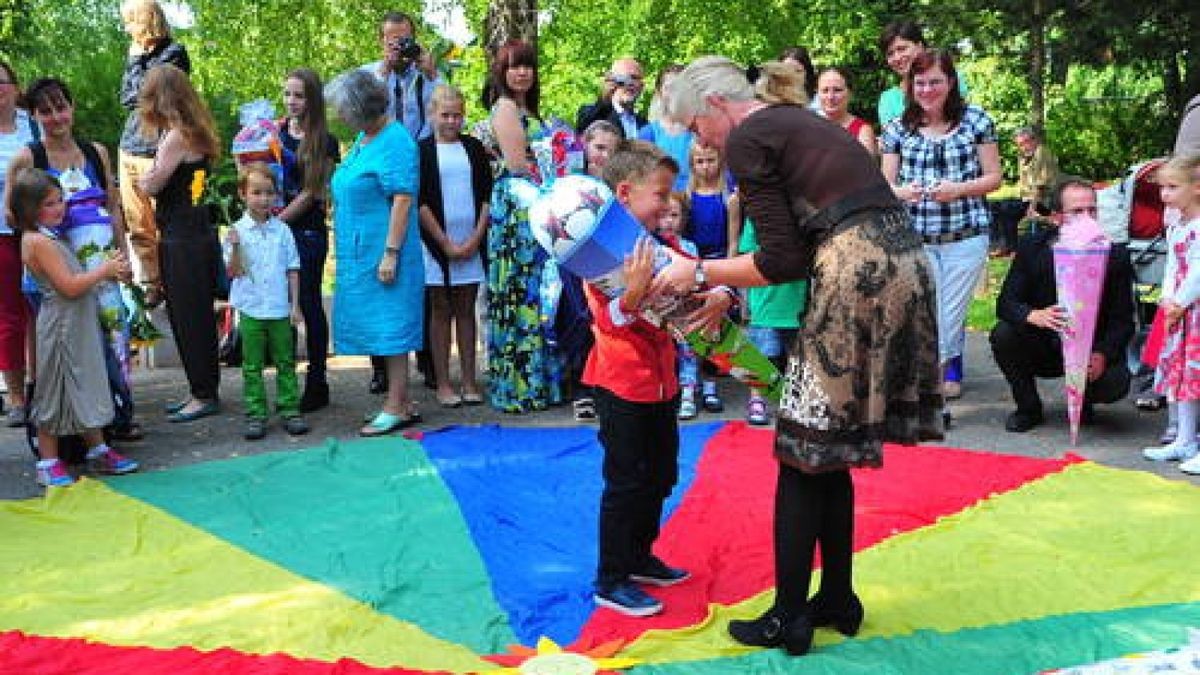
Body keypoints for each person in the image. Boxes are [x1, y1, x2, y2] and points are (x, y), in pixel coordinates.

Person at [659, 57, 942, 656]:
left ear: (714, 107)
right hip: (904, 264)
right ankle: (837, 596)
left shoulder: (748, 138)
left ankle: (789, 616)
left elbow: (782, 258)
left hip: (854, 274)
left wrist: (698, 270)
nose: (696, 140)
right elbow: (794, 244)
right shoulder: (793, 120)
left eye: (693, 126)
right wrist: (723, 288)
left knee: (799, 449)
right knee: (829, 451)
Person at [587, 141, 691, 617]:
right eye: (661, 195)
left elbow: (692, 288)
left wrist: (719, 295)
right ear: (626, 193)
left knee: (663, 473)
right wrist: (630, 296)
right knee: (626, 481)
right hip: (621, 384)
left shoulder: (658, 245)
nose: (668, 205)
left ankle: (638, 555)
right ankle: (610, 578)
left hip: (664, 382)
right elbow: (607, 320)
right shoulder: (595, 251)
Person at [7, 77, 142, 443]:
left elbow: (114, 209)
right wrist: (53, 219)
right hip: (52, 277)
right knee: (69, 350)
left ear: (72, 107)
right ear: (34, 116)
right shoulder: (28, 158)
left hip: (101, 266)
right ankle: (68, 433)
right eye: (45, 111)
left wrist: (123, 256)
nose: (55, 117)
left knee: (114, 341)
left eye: (60, 107)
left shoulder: (95, 152)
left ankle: (116, 413)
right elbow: (12, 215)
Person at [881, 50, 1001, 404]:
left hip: (965, 238)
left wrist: (958, 190)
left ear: (951, 83)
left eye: (935, 81)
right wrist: (904, 192)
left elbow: (995, 178)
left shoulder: (977, 121)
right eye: (920, 83)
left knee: (948, 319)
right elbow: (883, 186)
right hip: (914, 239)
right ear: (910, 86)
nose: (927, 89)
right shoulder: (896, 128)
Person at [13, 168, 139, 487]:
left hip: (76, 321)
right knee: (54, 389)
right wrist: (104, 270)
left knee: (84, 382)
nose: (60, 209)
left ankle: (98, 448)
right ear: (30, 209)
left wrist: (108, 271)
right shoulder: (38, 241)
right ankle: (48, 460)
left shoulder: (51, 236)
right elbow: (68, 286)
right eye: (50, 204)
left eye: (60, 201)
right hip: (59, 323)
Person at [990, 179, 1133, 432]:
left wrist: (1102, 354)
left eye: (1092, 210)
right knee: (1004, 334)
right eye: (1077, 212)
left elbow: (1123, 320)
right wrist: (1034, 315)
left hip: (1090, 348)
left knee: (1115, 381)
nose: (1087, 218)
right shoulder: (1032, 247)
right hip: (1044, 344)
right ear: (1056, 218)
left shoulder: (1115, 254)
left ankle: (1084, 402)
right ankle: (1028, 407)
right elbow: (1006, 304)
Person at [327, 68, 424, 436]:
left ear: (360, 108)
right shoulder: (363, 139)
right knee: (384, 328)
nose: (340, 117)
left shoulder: (395, 140)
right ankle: (400, 401)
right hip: (361, 251)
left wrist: (391, 253)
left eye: (344, 110)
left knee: (393, 329)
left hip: (386, 253)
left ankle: (397, 405)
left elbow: (402, 198)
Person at [137, 64, 222, 423]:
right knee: (198, 315)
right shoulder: (198, 132)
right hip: (198, 231)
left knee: (188, 317)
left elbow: (153, 186)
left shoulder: (175, 137)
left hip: (181, 237)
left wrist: (143, 178)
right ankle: (203, 388)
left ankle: (202, 395)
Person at [484, 40, 562, 412]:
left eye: (528, 66)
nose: (522, 72)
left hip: (535, 203)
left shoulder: (531, 110)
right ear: (502, 72)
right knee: (521, 289)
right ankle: (518, 386)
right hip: (518, 207)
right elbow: (518, 164)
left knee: (537, 291)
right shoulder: (504, 108)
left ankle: (536, 382)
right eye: (515, 66)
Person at [417, 84, 491, 408]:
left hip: (471, 239)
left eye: (457, 116)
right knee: (440, 309)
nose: (451, 122)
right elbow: (419, 202)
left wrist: (475, 237)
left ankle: (470, 379)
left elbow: (487, 197)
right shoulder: (421, 151)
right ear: (432, 115)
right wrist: (444, 242)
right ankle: (443, 382)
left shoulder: (474, 148)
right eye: (445, 115)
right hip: (435, 243)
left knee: (466, 308)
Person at [223, 163, 309, 440]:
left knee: (286, 360)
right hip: (250, 309)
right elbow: (234, 272)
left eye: (269, 193)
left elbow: (292, 269)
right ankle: (255, 413)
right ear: (243, 194)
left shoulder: (283, 231)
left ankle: (289, 408)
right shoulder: (236, 230)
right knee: (252, 364)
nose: (263, 199)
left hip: (279, 309)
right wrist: (235, 246)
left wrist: (295, 305)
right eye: (256, 192)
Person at [117, 0, 191, 309]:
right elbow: (127, 98)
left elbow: (150, 97)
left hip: (158, 147)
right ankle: (150, 284)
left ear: (145, 21)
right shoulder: (136, 56)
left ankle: (171, 281)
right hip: (129, 146)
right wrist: (136, 61)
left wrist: (137, 63)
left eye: (130, 21)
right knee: (138, 225)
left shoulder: (174, 53)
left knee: (161, 221)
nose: (126, 28)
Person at [279, 67, 340, 413]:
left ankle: (317, 381)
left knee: (308, 304)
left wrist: (275, 222)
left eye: (299, 95)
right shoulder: (273, 134)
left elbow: (312, 192)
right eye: (287, 94)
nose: (291, 101)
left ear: (312, 99)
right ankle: (287, 383)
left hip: (307, 233)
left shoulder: (324, 141)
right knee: (278, 307)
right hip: (275, 234)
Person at [1143, 154, 1200, 474]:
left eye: (1172, 187)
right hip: (1181, 310)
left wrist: (1180, 301)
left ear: (1197, 188)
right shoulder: (1177, 224)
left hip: (1193, 308)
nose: (1164, 194)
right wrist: (1167, 298)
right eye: (1162, 187)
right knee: (1183, 377)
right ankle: (1185, 438)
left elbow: (1198, 271)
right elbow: (1173, 265)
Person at [735, 216, 808, 426]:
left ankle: (796, 402)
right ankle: (756, 400)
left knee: (799, 360)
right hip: (765, 301)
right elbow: (747, 254)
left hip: (797, 302)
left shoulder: (804, 211)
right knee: (760, 357)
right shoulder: (757, 215)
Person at [685, 140, 739, 412]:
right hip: (694, 266)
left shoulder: (729, 197)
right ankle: (689, 384)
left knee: (716, 330)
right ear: (692, 164)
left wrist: (730, 275)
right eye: (700, 161)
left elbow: (732, 241)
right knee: (693, 328)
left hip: (719, 264)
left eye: (711, 160)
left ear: (720, 161)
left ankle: (711, 385)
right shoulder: (686, 197)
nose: (706, 167)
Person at [0, 61, 37, 428]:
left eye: (2, 82)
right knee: (10, 315)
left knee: (40, 309)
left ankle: (40, 385)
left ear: (15, 86)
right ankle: (15, 396)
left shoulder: (33, 124)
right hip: (1, 234)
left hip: (37, 230)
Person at [656, 191, 701, 419]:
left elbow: (695, 279)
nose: (668, 221)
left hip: (682, 309)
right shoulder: (651, 245)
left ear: (683, 218)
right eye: (663, 215)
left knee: (687, 346)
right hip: (656, 312)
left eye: (674, 215)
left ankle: (688, 390)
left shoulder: (690, 247)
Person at [361, 11, 441, 141]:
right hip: (382, 154)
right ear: (382, 41)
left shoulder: (427, 74)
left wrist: (433, 76)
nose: (400, 47)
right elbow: (360, 116)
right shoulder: (367, 74)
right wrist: (383, 74)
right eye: (393, 42)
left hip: (423, 153)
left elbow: (453, 117)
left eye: (405, 41)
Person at [876, 20, 968, 127]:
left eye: (902, 49)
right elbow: (891, 140)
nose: (897, 58)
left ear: (919, 46)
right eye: (890, 54)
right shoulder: (888, 100)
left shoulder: (949, 78)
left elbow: (964, 122)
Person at [638, 64, 693, 190]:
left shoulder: (699, 130)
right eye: (669, 87)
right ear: (659, 91)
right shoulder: (648, 133)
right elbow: (640, 177)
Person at [576, 57, 647, 140]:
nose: (630, 83)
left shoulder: (644, 125)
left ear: (641, 86)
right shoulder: (594, 114)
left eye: (635, 78)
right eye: (625, 78)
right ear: (613, 81)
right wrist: (605, 97)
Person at [816, 67, 876, 155]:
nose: (830, 97)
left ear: (850, 93)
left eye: (837, 90)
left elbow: (865, 168)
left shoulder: (862, 132)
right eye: (825, 90)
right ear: (817, 93)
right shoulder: (809, 126)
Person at [777, 46, 820, 112]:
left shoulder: (819, 103)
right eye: (786, 70)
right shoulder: (769, 102)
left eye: (798, 71)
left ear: (807, 74)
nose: (792, 76)